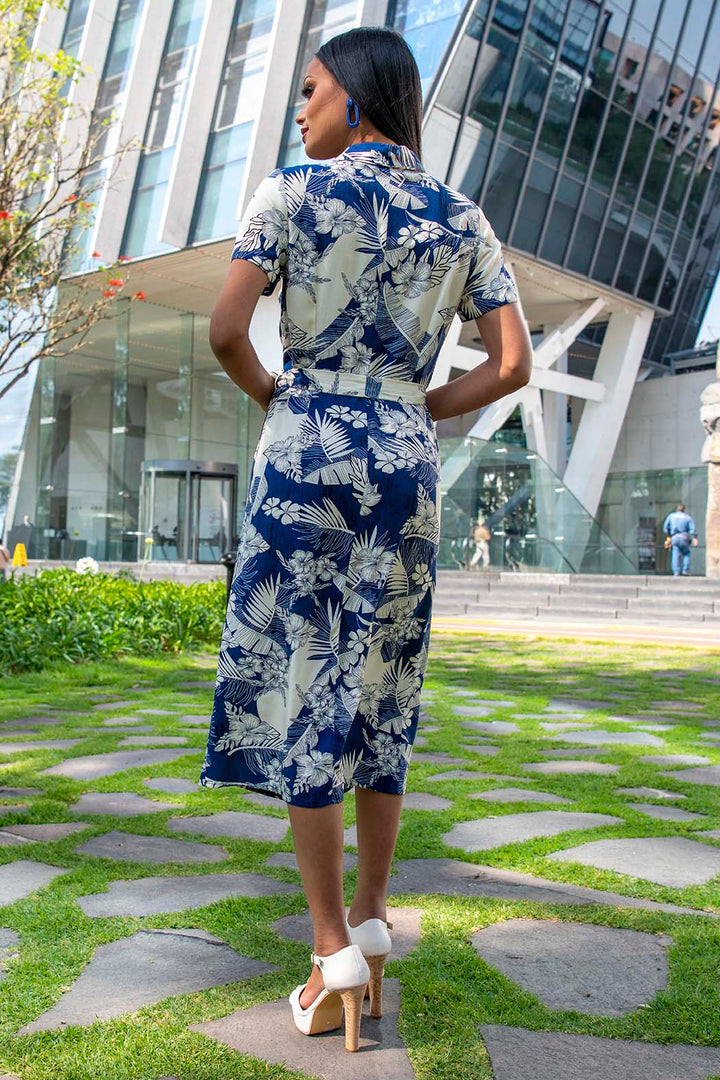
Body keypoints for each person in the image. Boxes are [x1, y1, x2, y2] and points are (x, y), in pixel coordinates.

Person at [200, 26, 532, 1054]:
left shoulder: (289, 194)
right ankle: (377, 916)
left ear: (353, 95)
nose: (302, 111)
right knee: (385, 680)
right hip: (405, 455)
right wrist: (421, 404)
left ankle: (329, 945)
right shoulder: (462, 214)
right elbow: (513, 364)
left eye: (311, 91)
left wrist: (279, 399)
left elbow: (223, 331)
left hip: (307, 448)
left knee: (309, 681)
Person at [663, 503, 699, 576]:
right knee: (686, 553)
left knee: (675, 554)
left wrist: (668, 537)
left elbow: (665, 528)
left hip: (675, 537)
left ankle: (676, 572)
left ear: (676, 509)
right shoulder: (687, 517)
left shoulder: (671, 516)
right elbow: (692, 529)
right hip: (684, 536)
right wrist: (695, 538)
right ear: (684, 510)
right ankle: (685, 570)